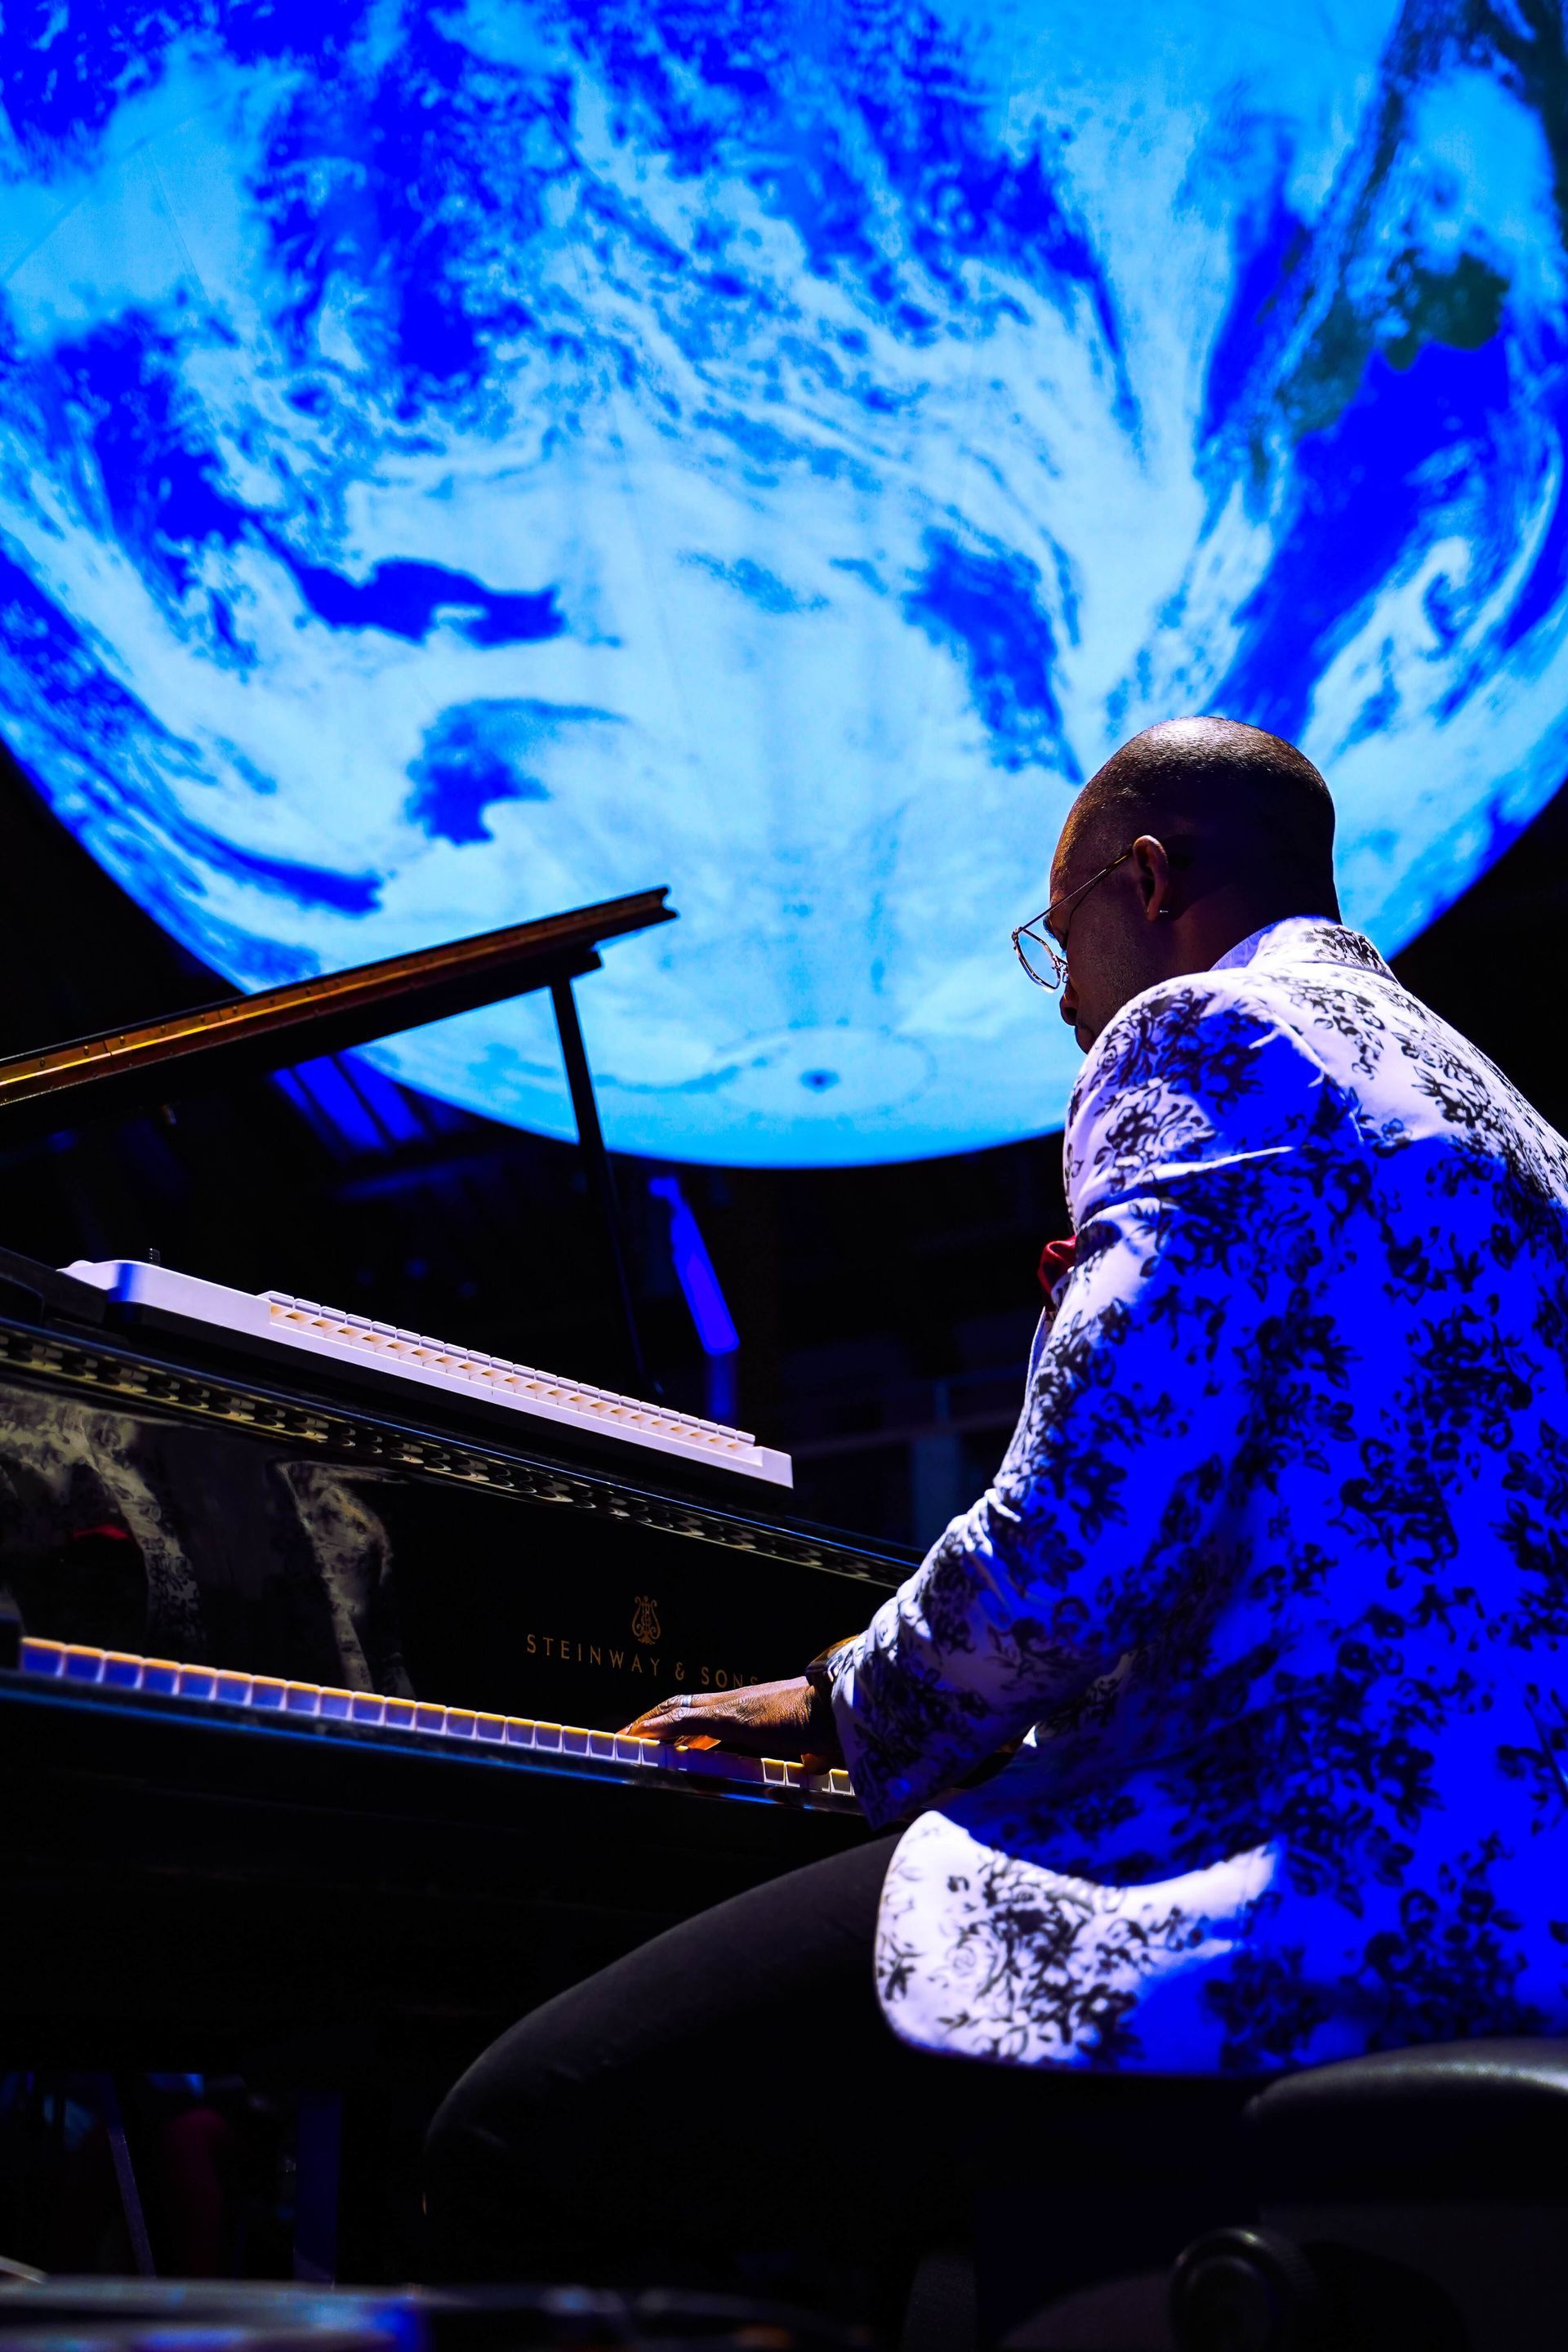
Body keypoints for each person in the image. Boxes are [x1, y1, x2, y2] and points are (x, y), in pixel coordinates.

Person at [425, 717, 1568, 2305]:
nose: (1070, 1004)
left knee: (513, 2138)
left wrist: (841, 1699)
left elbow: (1078, 1535)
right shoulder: (1509, 1122)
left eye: (1062, 942)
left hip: (1258, 1894)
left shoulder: (1206, 1033)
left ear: (1149, 877)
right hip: (1506, 1918)